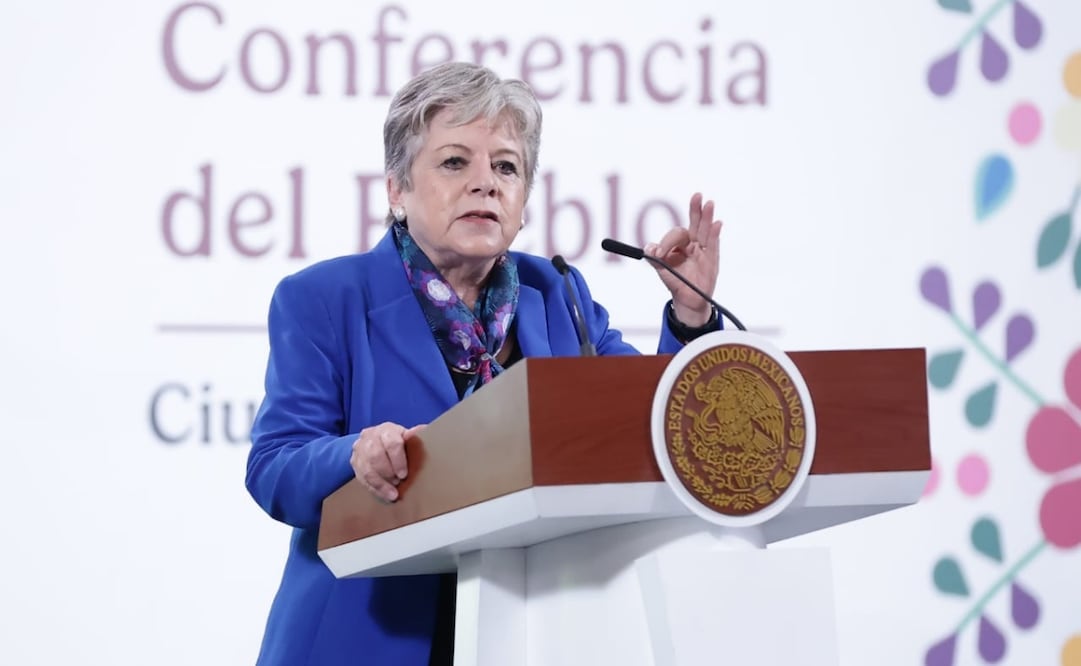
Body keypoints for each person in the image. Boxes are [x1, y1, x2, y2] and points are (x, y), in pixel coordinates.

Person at [245, 61, 725, 665]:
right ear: (397, 189)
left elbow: (647, 417)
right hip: (367, 637)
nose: (485, 183)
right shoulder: (324, 298)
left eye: (506, 166)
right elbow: (273, 465)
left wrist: (689, 318)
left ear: (524, 199)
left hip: (530, 634)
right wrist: (354, 454)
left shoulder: (556, 293)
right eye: (454, 162)